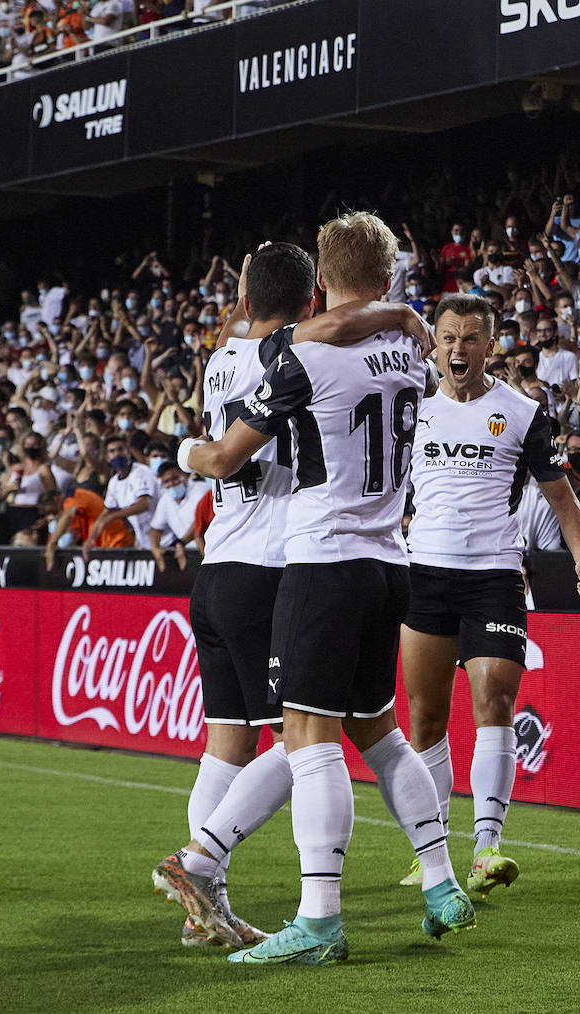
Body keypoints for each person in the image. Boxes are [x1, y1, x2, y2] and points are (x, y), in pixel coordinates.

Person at [178, 214, 472, 966]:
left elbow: (226, 456)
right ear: (384, 279)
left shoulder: (299, 357)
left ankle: (317, 920)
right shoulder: (411, 349)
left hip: (323, 563)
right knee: (382, 732)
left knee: (308, 739)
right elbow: (366, 320)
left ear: (321, 287)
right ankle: (440, 883)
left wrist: (190, 449)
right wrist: (398, 311)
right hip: (389, 564)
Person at [399, 292, 580, 900]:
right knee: (427, 716)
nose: (458, 349)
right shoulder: (410, 410)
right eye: (448, 337)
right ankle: (430, 852)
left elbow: (562, 498)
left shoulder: (521, 412)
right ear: (434, 344)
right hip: (424, 574)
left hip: (494, 575)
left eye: (470, 338)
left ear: (491, 346)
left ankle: (486, 848)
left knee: (494, 699)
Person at [88, 435, 156, 551]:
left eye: (120, 449)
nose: (117, 454)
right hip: (144, 541)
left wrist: (114, 516)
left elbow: (144, 504)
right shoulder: (114, 482)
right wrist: (91, 539)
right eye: (112, 451)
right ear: (107, 457)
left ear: (128, 452)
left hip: (165, 538)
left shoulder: (141, 472)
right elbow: (106, 512)